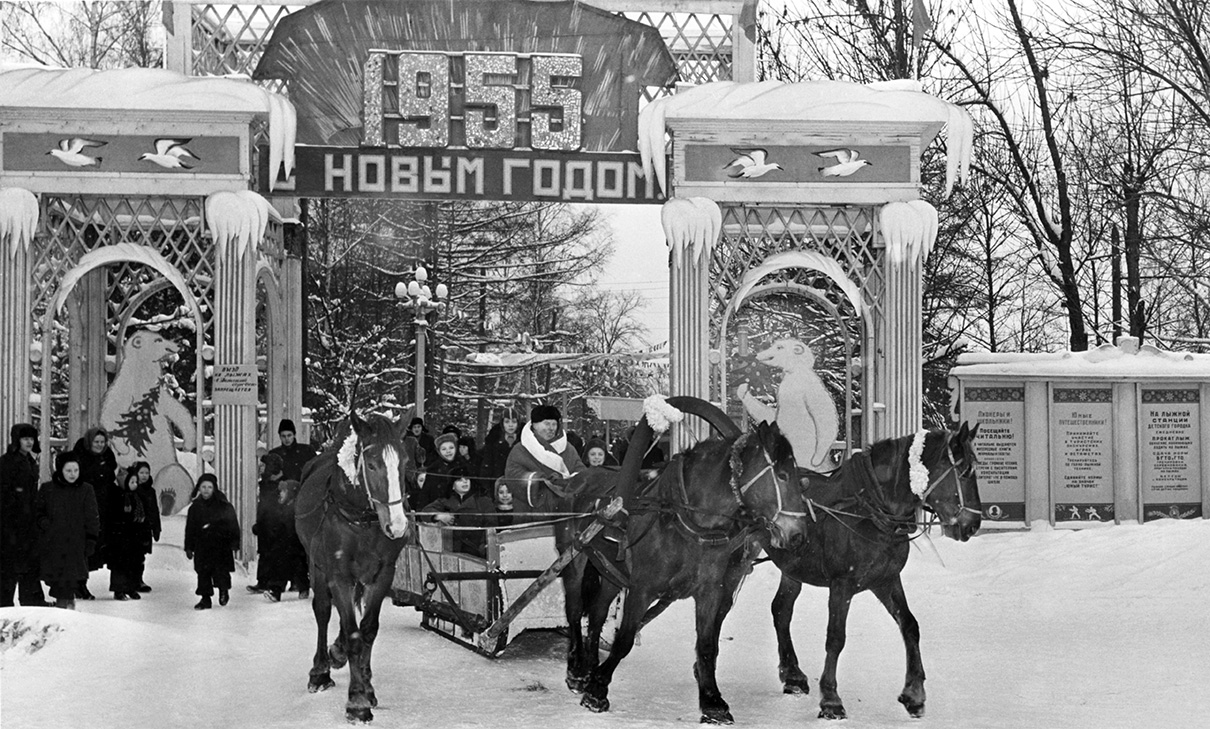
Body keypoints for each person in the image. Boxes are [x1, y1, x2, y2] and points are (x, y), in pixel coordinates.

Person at [35, 452, 100, 610]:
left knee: (69, 583)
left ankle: (67, 612)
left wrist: (92, 538)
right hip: (53, 544)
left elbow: (92, 516)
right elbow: (38, 512)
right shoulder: (48, 489)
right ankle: (63, 611)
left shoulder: (86, 489)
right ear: (60, 470)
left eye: (76, 470)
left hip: (76, 545)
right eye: (68, 471)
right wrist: (44, 523)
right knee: (58, 582)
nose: (73, 474)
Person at [1, 423, 50, 607]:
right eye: (25, 438)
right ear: (17, 440)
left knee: (29, 563)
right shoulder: (7, 462)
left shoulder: (30, 460)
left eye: (32, 438)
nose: (29, 442)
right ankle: (5, 603)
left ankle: (32, 600)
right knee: (10, 565)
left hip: (28, 522)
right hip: (11, 523)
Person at [72, 426, 117, 599]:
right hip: (84, 507)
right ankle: (78, 583)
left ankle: (82, 582)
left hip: (103, 507)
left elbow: (110, 477)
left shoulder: (107, 456)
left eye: (102, 442)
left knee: (95, 547)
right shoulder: (80, 456)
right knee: (83, 546)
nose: (99, 445)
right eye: (96, 442)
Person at [184, 474, 240, 610]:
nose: (206, 490)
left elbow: (233, 525)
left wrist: (234, 542)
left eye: (209, 487)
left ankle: (223, 590)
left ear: (214, 488)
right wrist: (189, 547)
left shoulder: (224, 505)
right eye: (203, 487)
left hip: (221, 545)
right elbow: (190, 528)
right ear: (199, 488)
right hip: (202, 546)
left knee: (221, 571)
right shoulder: (195, 507)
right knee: (203, 572)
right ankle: (205, 598)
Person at [504, 404, 585, 493]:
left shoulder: (568, 448)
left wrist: (568, 483)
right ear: (534, 425)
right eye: (547, 424)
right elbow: (513, 476)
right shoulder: (520, 450)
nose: (551, 428)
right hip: (532, 505)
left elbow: (581, 472)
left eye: (554, 424)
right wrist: (541, 481)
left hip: (564, 503)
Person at [421, 468, 496, 557]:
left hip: (477, 553)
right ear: (452, 485)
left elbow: (491, 525)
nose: (465, 482)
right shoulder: (445, 501)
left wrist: (483, 546)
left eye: (467, 479)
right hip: (452, 552)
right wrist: (439, 516)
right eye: (459, 480)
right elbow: (425, 512)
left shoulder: (483, 501)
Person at [106, 471, 153, 600]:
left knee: (133, 564)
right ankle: (119, 589)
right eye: (131, 482)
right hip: (120, 538)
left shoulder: (137, 497)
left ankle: (131, 587)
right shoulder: (118, 497)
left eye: (136, 482)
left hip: (134, 537)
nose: (135, 485)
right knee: (120, 566)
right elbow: (113, 516)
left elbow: (143, 516)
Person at [258, 475, 306, 602]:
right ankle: (277, 590)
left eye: (284, 491)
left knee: (296, 568)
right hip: (283, 546)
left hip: (293, 545)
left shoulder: (295, 509)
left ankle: (301, 587)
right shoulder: (281, 507)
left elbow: (287, 526)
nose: (281, 494)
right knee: (282, 569)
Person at [248, 453, 284, 594]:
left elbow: (276, 506)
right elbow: (263, 506)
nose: (261, 468)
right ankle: (263, 581)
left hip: (276, 525)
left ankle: (276, 584)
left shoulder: (280, 484)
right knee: (264, 553)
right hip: (266, 524)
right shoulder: (265, 482)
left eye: (263, 465)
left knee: (276, 555)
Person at [128, 461, 161, 592]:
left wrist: (156, 527)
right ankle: (130, 580)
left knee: (141, 555)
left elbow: (154, 510)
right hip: (133, 528)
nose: (144, 476)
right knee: (132, 555)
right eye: (141, 473)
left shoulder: (151, 491)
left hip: (145, 529)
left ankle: (138, 580)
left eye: (146, 473)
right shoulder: (132, 489)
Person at [414, 432, 466, 509]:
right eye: (444, 449)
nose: (448, 451)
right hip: (438, 510)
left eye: (451, 448)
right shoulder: (433, 469)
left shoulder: (464, 466)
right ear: (439, 451)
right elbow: (425, 494)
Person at [480, 408, 523, 481]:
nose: (510, 425)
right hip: (497, 482)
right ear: (502, 423)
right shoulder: (493, 440)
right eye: (507, 422)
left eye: (514, 422)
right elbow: (487, 464)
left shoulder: (525, 440)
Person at [269, 419, 317, 483]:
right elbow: (269, 478)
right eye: (283, 436)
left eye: (289, 435)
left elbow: (316, 470)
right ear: (280, 437)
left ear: (294, 435)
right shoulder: (274, 454)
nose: (286, 439)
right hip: (282, 490)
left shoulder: (306, 450)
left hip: (303, 489)